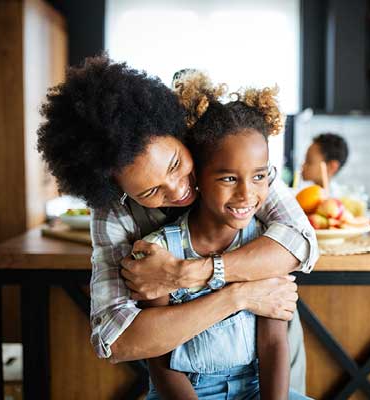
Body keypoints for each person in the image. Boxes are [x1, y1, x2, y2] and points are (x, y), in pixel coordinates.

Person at [36, 55, 318, 393]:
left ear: (180, 134)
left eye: (175, 164)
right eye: (151, 190)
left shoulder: (229, 159)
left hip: (268, 368)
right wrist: (239, 296)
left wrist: (187, 274)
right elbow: (118, 339)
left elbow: (300, 242)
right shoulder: (114, 213)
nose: (179, 189)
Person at [137, 72, 308, 399]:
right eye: (229, 178)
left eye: (259, 176)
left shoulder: (266, 246)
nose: (247, 194)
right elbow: (160, 362)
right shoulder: (161, 253)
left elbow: (273, 342)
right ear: (196, 177)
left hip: (254, 389)